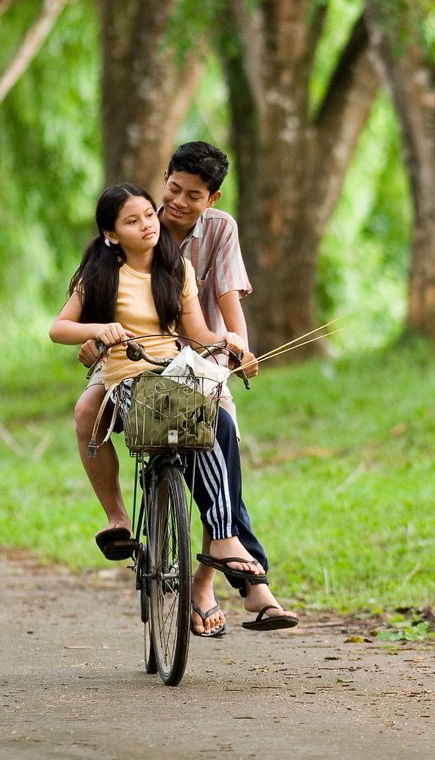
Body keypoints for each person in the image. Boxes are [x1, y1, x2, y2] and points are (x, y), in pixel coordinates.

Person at [52, 182, 298, 636]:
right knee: (178, 414)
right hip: (128, 379)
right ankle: (124, 520)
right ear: (111, 234)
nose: (147, 225)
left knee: (215, 420)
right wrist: (101, 329)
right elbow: (58, 327)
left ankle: (223, 539)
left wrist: (227, 342)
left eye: (148, 215)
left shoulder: (177, 269)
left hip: (175, 371)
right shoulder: (101, 276)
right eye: (132, 220)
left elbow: (198, 332)